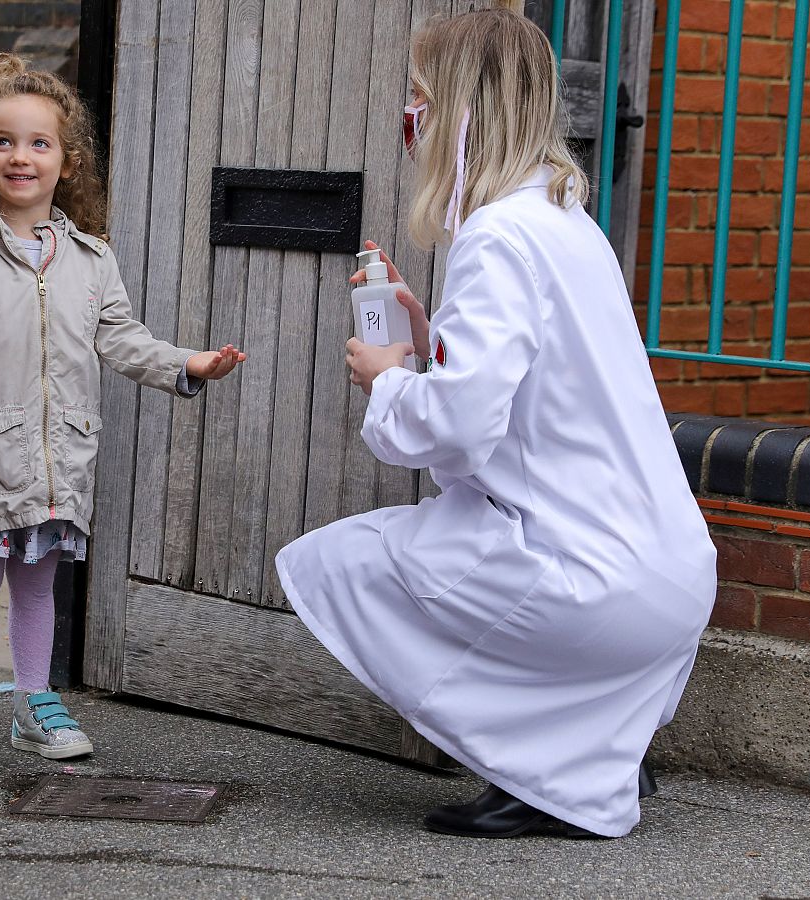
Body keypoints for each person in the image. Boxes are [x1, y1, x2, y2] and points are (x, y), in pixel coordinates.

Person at [275, 2, 716, 839]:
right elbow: (544, 383)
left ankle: (547, 775)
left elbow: (463, 427)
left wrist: (392, 377)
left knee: (344, 566)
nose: (411, 118)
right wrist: (431, 334)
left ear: (458, 110)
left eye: (420, 98)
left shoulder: (497, 235)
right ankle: (595, 745)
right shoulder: (564, 219)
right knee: (431, 552)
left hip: (602, 582)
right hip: (671, 573)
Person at [0, 54, 245, 774]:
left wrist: (187, 364)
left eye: (38, 143)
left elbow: (120, 339)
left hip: (61, 460)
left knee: (37, 586)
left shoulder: (91, 259)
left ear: (66, 159)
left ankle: (34, 703)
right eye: (4, 141)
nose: (20, 156)